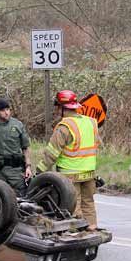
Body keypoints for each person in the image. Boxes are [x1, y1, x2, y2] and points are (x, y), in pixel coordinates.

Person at [36, 90, 101, 230]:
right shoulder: (91, 122)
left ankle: (79, 233)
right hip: (89, 172)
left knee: (74, 205)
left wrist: (39, 172)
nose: (56, 110)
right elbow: (95, 145)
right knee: (88, 202)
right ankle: (92, 229)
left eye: (57, 107)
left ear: (62, 108)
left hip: (71, 174)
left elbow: (51, 153)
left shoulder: (65, 127)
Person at [0, 99, 32, 195]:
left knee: (21, 195)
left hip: (14, 169)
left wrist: (28, 167)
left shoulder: (17, 125)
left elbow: (25, 147)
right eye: (2, 110)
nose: (6, 113)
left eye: (8, 109)